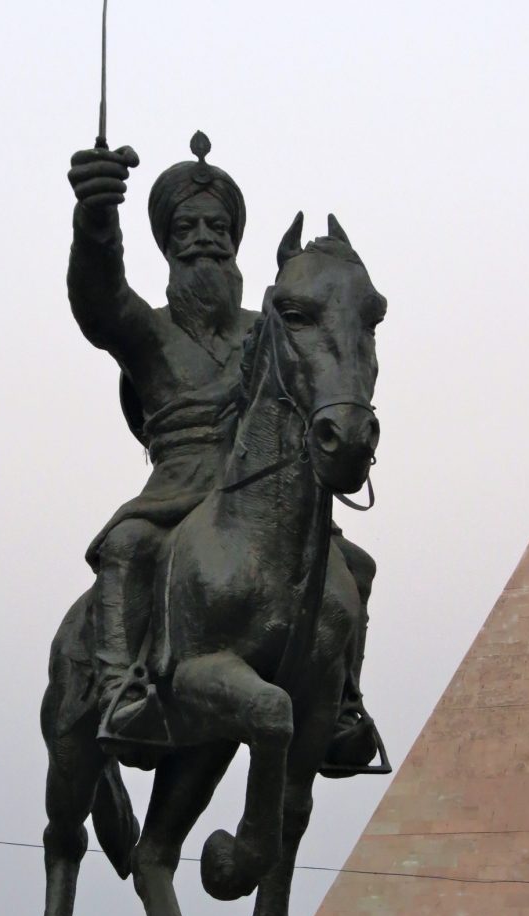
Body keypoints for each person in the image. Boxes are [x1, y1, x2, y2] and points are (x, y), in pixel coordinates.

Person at [67, 133, 382, 770]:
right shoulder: (147, 330)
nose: (204, 236)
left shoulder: (271, 328)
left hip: (268, 499)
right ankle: (119, 689)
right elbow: (97, 300)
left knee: (357, 567)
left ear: (236, 239)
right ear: (166, 240)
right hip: (178, 491)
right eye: (187, 226)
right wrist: (96, 217)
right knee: (126, 548)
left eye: (217, 226)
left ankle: (341, 703)